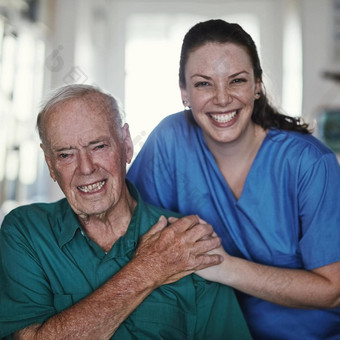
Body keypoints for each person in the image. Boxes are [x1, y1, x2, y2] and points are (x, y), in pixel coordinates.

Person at [127, 19, 340, 339]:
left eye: (236, 81)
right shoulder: (171, 140)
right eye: (203, 84)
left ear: (257, 85)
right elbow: (130, 235)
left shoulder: (309, 163)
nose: (222, 98)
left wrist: (222, 266)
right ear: (184, 93)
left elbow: (332, 290)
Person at [0, 84, 252, 339]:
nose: (86, 168)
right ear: (50, 164)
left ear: (127, 145)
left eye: (98, 146)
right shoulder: (25, 231)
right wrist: (148, 269)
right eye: (66, 154)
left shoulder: (186, 241)